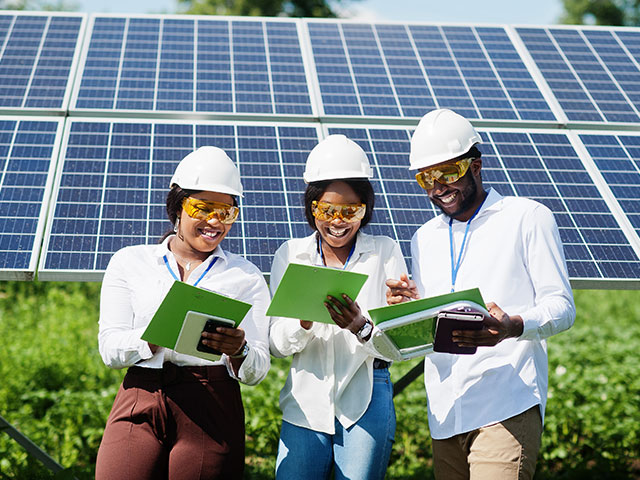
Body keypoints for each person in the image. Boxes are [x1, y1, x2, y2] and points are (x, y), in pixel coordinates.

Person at [386, 109, 576, 480]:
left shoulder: (527, 217)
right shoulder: (424, 238)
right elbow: (436, 319)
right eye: (426, 177)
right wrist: (410, 307)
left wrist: (514, 326)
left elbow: (562, 306)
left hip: (505, 401)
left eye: (448, 173)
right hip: (444, 410)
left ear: (476, 165)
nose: (437, 187)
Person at [95, 146, 271, 480]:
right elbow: (110, 348)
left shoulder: (245, 276)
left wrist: (240, 350)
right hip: (140, 393)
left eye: (226, 212)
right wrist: (154, 338)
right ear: (178, 207)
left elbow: (257, 370)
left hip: (212, 401)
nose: (214, 221)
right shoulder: (130, 262)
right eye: (202, 208)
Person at [269, 134, 407, 480]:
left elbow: (398, 346)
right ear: (311, 207)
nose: (337, 221)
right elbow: (275, 346)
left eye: (351, 211)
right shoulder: (290, 255)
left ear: (366, 209)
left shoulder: (384, 252)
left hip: (368, 393)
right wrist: (302, 321)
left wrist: (362, 325)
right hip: (305, 401)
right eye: (326, 210)